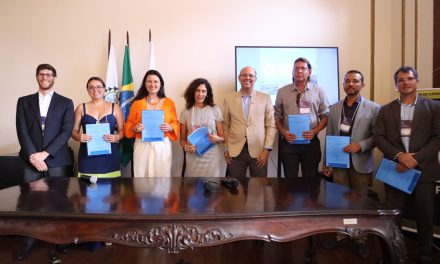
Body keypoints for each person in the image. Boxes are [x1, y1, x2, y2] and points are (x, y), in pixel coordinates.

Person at [374, 66, 440, 264]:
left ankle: (425, 252)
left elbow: (438, 138)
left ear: (417, 81)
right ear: (396, 85)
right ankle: (394, 251)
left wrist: (415, 159)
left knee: (425, 215)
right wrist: (400, 156)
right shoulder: (386, 109)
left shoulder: (434, 107)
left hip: (424, 170)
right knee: (394, 215)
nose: (405, 82)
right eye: (401, 80)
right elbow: (379, 138)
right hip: (396, 168)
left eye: (410, 78)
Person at [15, 63, 74, 262]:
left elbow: (66, 131)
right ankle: (30, 241)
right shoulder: (24, 101)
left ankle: (57, 241)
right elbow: (21, 129)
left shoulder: (66, 102)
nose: (45, 77)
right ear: (36, 77)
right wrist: (34, 155)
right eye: (41, 74)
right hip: (29, 160)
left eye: (49, 74)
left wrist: (45, 154)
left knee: (58, 202)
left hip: (57, 160)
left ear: (54, 77)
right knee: (29, 202)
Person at [321, 70, 380, 258]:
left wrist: (360, 145)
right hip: (338, 162)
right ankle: (341, 234)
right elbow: (329, 135)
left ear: (362, 85)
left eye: (355, 81)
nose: (350, 84)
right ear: (343, 84)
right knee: (339, 201)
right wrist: (326, 161)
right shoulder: (335, 107)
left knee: (360, 201)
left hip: (360, 162)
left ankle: (360, 238)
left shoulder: (373, 108)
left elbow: (377, 137)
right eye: (347, 81)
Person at [274, 57, 329, 178]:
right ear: (292, 72)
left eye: (303, 68)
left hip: (311, 142)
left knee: (310, 181)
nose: (299, 71)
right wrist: (283, 132)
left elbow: (325, 116)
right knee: (290, 180)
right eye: (296, 68)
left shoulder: (319, 91)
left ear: (309, 72)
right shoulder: (282, 91)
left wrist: (315, 131)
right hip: (289, 142)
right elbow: (276, 116)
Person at [223, 66, 276, 178]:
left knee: (258, 188)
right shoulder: (229, 98)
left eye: (251, 75)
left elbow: (271, 125)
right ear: (239, 78)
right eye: (244, 75)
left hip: (259, 151)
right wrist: (226, 148)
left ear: (255, 79)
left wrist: (267, 149)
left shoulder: (265, 98)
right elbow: (226, 125)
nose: (247, 78)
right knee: (236, 190)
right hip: (235, 151)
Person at [124, 70, 179, 177]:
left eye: (155, 81)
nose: (152, 84)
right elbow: (129, 124)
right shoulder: (137, 103)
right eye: (149, 81)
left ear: (161, 84)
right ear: (145, 84)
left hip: (162, 145)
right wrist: (135, 128)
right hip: (142, 144)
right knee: (141, 175)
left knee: (162, 177)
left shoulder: (169, 103)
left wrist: (170, 127)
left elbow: (175, 123)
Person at [71, 77, 124, 178]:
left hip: (110, 156)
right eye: (91, 87)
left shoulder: (115, 107)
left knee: (111, 191)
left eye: (99, 87)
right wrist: (79, 137)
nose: (95, 90)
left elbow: (122, 131)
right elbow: (73, 131)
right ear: (88, 90)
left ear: (104, 89)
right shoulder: (81, 108)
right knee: (87, 190)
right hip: (87, 156)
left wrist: (117, 137)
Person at [180, 78, 225, 177]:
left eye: (203, 91)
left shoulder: (215, 110)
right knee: (194, 188)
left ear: (207, 93)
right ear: (193, 92)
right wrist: (186, 147)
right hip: (193, 154)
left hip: (212, 155)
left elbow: (223, 137)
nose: (200, 94)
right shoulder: (185, 111)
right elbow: (182, 139)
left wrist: (218, 138)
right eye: (198, 90)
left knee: (211, 186)